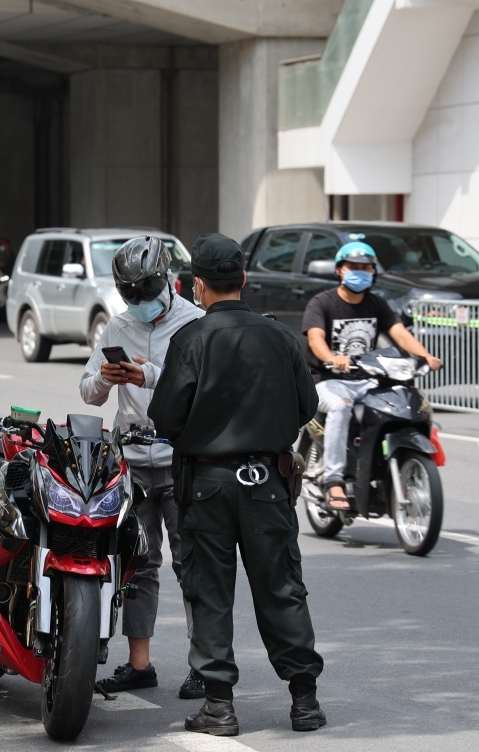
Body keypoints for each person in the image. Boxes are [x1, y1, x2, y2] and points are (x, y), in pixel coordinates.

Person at [149, 233, 324, 737]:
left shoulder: (190, 340)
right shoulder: (280, 336)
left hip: (206, 484)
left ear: (197, 286)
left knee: (210, 593)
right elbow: (307, 408)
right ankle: (305, 701)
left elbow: (166, 418)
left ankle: (219, 707)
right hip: (269, 483)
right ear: (243, 279)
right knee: (282, 588)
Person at [79, 236, 206, 700]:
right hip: (131, 464)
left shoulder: (195, 324)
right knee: (138, 566)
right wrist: (105, 379)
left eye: (145, 290)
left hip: (180, 462)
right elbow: (87, 390)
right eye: (130, 293)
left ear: (167, 280)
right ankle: (139, 664)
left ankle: (204, 665)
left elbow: (198, 385)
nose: (140, 302)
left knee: (192, 564)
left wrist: (146, 374)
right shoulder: (117, 327)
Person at [302, 241, 441, 511]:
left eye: (366, 268)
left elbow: (400, 334)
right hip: (326, 382)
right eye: (353, 267)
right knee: (342, 408)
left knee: (397, 402)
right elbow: (316, 339)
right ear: (339, 271)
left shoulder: (377, 303)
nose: (360, 273)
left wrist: (425, 357)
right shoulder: (322, 303)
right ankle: (333, 480)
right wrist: (332, 358)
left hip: (366, 380)